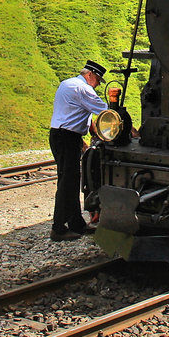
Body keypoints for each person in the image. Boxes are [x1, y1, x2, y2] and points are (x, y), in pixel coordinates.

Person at [48, 59, 107, 241]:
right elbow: (106, 111)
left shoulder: (67, 83)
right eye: (97, 80)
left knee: (69, 181)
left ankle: (76, 224)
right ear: (90, 75)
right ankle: (58, 228)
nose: (97, 85)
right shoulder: (83, 89)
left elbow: (78, 114)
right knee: (67, 183)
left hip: (60, 135)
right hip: (67, 138)